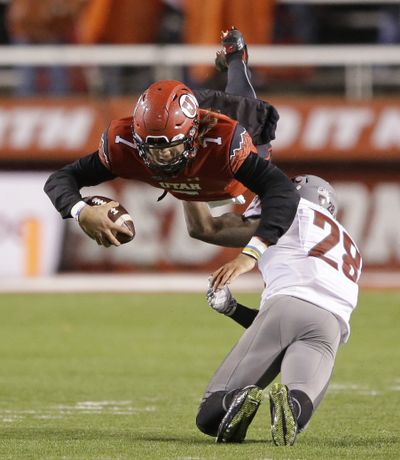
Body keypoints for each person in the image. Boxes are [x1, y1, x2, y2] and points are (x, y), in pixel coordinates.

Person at [44, 28, 298, 250]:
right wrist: (81, 211)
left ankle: (236, 57)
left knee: (243, 109)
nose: (160, 155)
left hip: (218, 155)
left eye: (168, 146)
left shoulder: (225, 143)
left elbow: (280, 189)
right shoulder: (123, 144)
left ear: (192, 136)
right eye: (150, 146)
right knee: (200, 229)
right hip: (188, 153)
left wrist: (259, 246)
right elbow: (60, 178)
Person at [182, 175, 362, 445]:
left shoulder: (289, 208)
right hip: (329, 326)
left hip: (284, 308)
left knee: (210, 414)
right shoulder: (349, 246)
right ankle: (289, 405)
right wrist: (233, 310)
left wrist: (183, 184)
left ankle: (236, 400)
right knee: (301, 403)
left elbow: (205, 228)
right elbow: (294, 321)